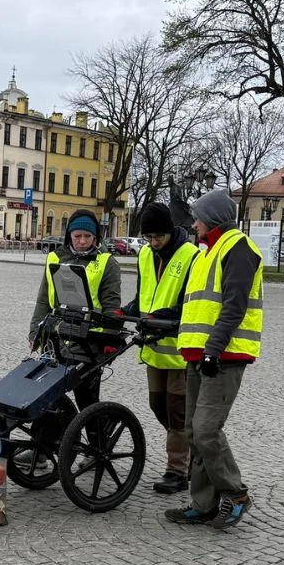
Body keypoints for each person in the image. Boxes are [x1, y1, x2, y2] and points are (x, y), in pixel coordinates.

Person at [164, 189, 263, 529]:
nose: (193, 224)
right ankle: (203, 503)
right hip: (198, 355)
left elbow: (234, 307)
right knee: (193, 432)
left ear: (214, 219)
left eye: (198, 218)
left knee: (207, 431)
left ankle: (235, 493)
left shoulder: (238, 248)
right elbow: (195, 305)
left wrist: (213, 350)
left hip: (223, 356)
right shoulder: (206, 252)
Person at [122, 203, 201, 495]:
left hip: (180, 351)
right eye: (148, 238)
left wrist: (166, 316)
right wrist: (127, 311)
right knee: (159, 406)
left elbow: (190, 304)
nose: (153, 243)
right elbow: (145, 295)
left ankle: (177, 471)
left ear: (169, 232)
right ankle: (192, 450)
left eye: (158, 237)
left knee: (177, 412)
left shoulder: (191, 257)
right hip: (154, 347)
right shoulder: (145, 254)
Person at [27, 209, 122, 407]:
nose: (82, 241)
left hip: (89, 339)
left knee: (86, 399)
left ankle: (96, 436)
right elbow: (43, 300)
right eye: (77, 236)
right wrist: (35, 331)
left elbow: (112, 305)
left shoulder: (106, 263)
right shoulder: (55, 258)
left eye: (88, 236)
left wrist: (110, 338)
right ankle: (57, 435)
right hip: (56, 336)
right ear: (69, 235)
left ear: (95, 236)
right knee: (47, 397)